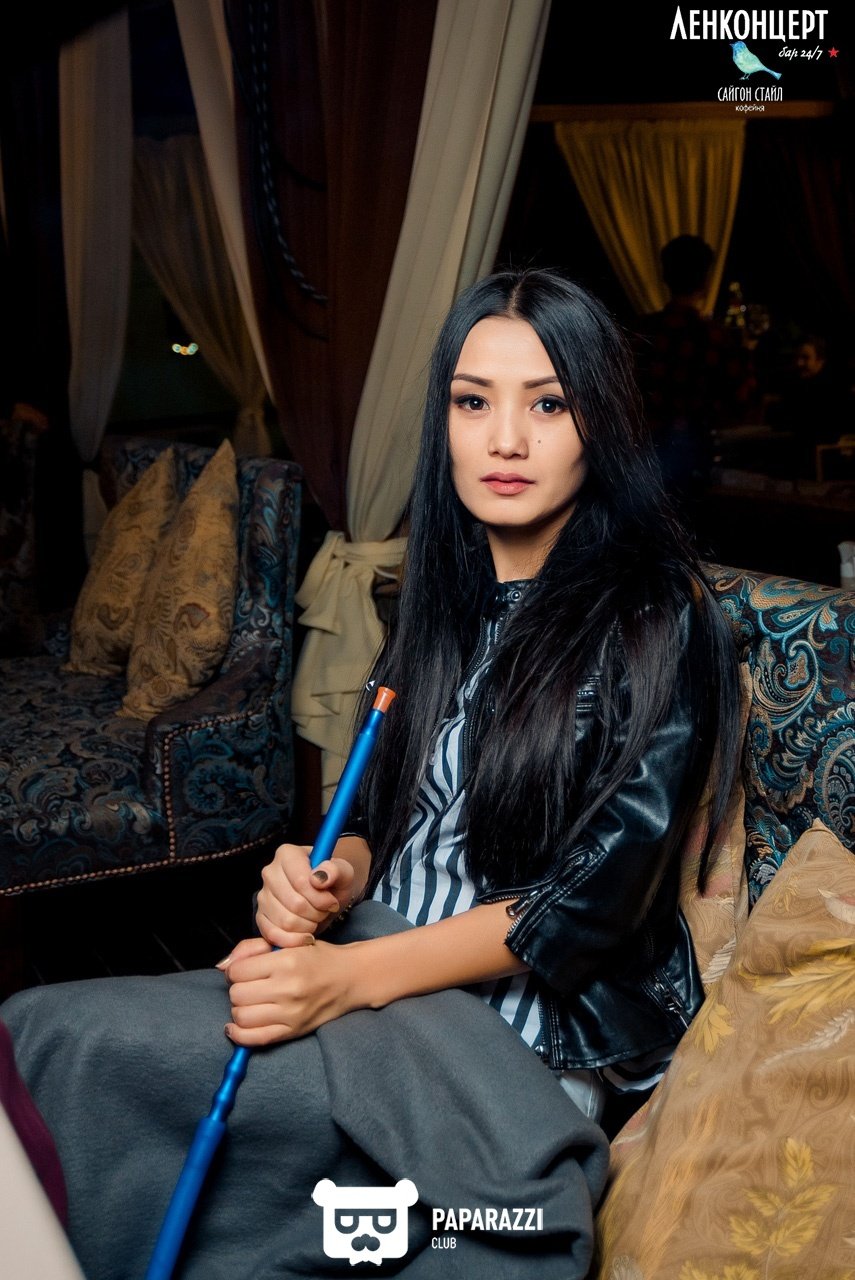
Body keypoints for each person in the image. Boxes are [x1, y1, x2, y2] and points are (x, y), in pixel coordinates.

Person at [1, 267, 742, 1278]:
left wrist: (344, 979)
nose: (506, 438)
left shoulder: (658, 615)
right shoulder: (437, 605)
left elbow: (584, 909)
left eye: (548, 403)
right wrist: (331, 871)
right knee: (43, 1034)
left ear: (599, 421)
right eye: (473, 402)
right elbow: (385, 817)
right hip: (369, 961)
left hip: (509, 1037)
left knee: (132, 1083)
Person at [632, 234, 755, 512]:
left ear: (665, 276)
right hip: (690, 456)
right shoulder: (714, 337)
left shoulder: (641, 331)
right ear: (705, 280)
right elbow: (742, 398)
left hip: (639, 452)